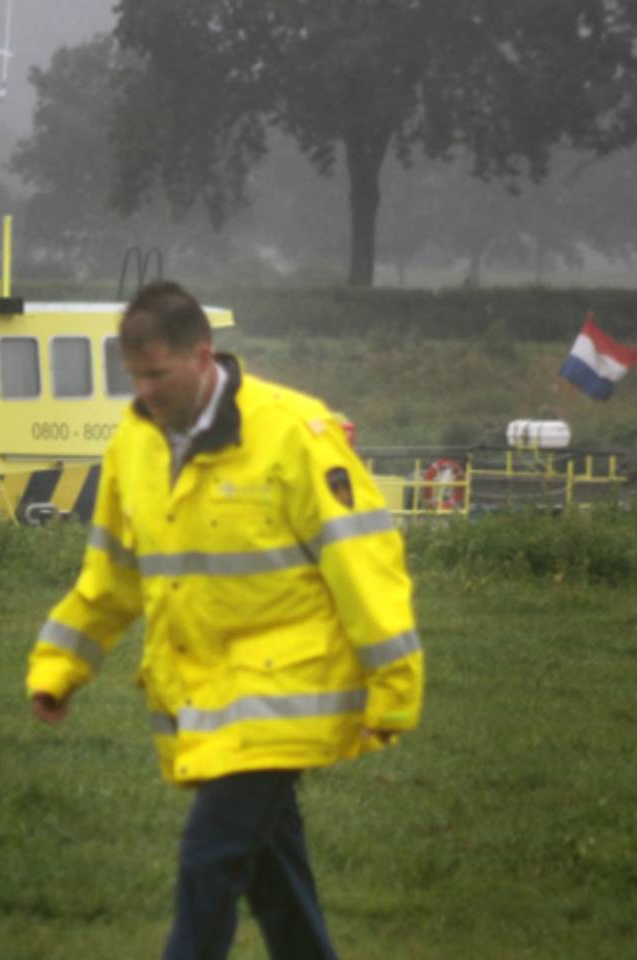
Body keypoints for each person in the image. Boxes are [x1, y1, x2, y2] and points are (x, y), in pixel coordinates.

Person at [26, 281, 424, 960]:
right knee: (274, 879)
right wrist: (60, 667)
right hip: (203, 695)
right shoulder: (134, 442)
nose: (145, 389)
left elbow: (364, 565)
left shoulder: (294, 434)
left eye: (158, 373)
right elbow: (112, 573)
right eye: (135, 375)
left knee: (208, 861)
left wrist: (393, 685)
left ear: (202, 355)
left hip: (285, 694)